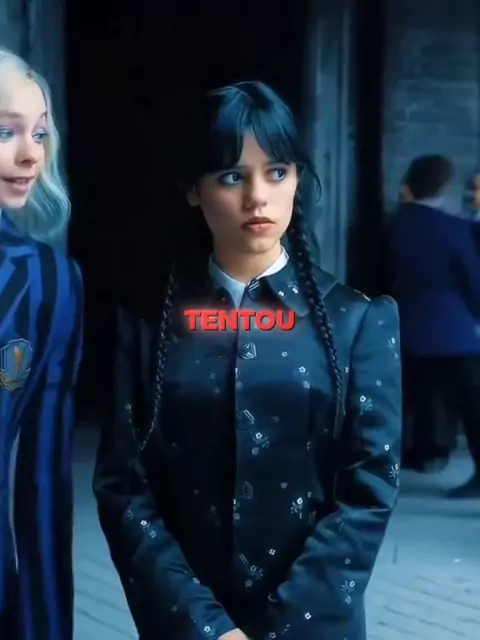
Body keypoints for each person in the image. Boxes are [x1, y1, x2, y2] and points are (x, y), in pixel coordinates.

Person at [93, 81, 401, 640]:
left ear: (298, 180)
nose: (258, 197)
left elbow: (370, 486)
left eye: (276, 172)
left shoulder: (357, 320)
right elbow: (124, 488)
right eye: (233, 176)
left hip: (314, 624)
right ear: (194, 189)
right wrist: (205, 626)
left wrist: (287, 625)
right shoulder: (145, 325)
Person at [0, 48, 83, 637]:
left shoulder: (49, 281)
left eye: (40, 132)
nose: (31, 154)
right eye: (6, 132)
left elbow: (45, 484)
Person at [389, 155, 480, 495]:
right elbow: (472, 280)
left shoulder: (395, 225)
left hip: (409, 329)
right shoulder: (454, 228)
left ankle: (422, 454)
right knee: (472, 407)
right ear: (444, 186)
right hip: (456, 332)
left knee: (413, 399)